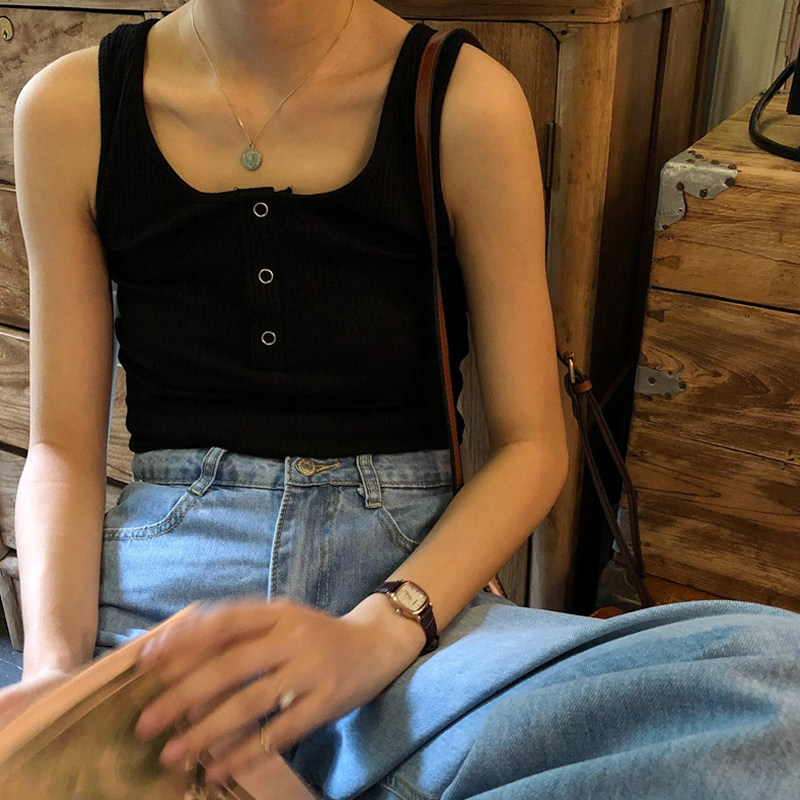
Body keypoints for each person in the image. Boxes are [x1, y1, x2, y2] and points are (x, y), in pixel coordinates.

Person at [2, 1, 799, 797]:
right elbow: (61, 449)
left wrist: (382, 633)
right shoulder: (70, 109)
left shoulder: (466, 99)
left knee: (777, 684)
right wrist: (55, 674)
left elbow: (532, 447)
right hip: (169, 603)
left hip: (407, 592)